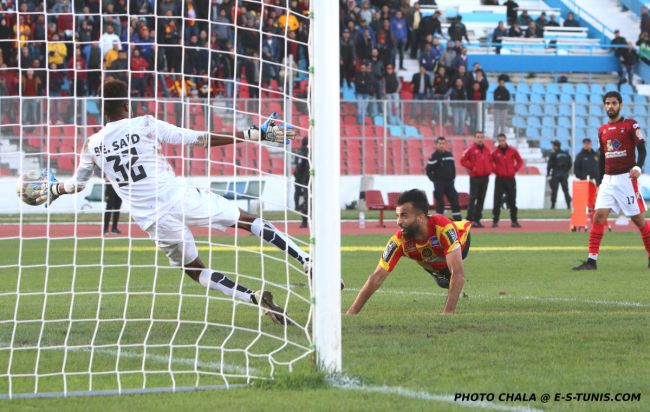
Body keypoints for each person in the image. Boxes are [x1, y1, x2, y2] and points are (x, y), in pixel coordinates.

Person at [34, 79, 305, 325]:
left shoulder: (92, 144)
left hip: (153, 220)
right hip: (178, 196)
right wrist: (251, 134)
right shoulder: (145, 123)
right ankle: (305, 259)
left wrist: (55, 188)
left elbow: (77, 185)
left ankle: (252, 298)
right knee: (248, 220)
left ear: (100, 108)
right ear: (127, 103)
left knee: (195, 270)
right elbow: (198, 139)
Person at [346, 189, 472, 315]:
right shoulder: (398, 241)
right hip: (431, 260)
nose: (398, 222)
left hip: (461, 242)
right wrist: (351, 313)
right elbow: (376, 277)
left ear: (421, 217)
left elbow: (458, 273)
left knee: (454, 276)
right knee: (445, 282)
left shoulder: (443, 227)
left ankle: (443, 275)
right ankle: (440, 274)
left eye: (404, 216)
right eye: (397, 216)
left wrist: (447, 314)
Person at [573, 91, 650, 270]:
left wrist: (638, 167)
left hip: (626, 179)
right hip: (608, 180)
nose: (610, 106)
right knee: (598, 216)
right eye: (607, 103)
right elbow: (602, 158)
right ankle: (592, 261)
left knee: (638, 220)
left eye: (614, 103)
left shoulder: (631, 124)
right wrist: (600, 183)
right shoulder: (602, 130)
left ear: (620, 105)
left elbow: (642, 149)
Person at [461, 131, 492, 227]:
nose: (480, 139)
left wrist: (489, 169)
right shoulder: (470, 149)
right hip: (475, 177)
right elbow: (462, 160)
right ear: (474, 138)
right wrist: (472, 167)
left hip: (485, 177)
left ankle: (477, 219)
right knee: (472, 198)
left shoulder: (487, 150)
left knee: (481, 199)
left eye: (481, 137)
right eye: (478, 137)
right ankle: (470, 219)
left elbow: (490, 161)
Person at [491, 133, 523, 228]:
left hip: (510, 179)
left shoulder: (512, 151)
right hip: (500, 179)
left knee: (512, 200)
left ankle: (514, 220)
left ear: (505, 140)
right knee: (497, 200)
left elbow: (519, 161)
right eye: (500, 141)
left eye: (503, 140)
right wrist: (496, 171)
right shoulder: (495, 152)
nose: (501, 142)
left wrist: (515, 169)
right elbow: (490, 163)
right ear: (498, 141)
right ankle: (495, 221)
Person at [426, 137, 461, 221]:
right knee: (440, 204)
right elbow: (428, 170)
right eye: (439, 143)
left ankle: (457, 221)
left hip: (450, 183)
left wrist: (452, 178)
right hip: (439, 183)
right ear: (436, 145)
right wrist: (434, 180)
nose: (441, 145)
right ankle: (440, 221)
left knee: (454, 201)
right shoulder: (434, 157)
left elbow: (453, 168)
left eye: (443, 143)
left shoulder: (450, 155)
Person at [546, 140, 572, 209]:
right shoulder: (566, 154)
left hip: (556, 174)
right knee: (566, 190)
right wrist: (566, 171)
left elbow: (549, 165)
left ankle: (553, 206)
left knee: (554, 191)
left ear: (555, 146)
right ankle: (568, 205)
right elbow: (570, 164)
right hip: (564, 174)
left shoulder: (553, 154)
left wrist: (548, 174)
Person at [294, 137, 309, 228]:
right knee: (307, 200)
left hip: (300, 178)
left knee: (300, 195)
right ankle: (305, 220)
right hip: (306, 179)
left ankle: (304, 221)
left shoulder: (299, 151)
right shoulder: (308, 152)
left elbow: (297, 165)